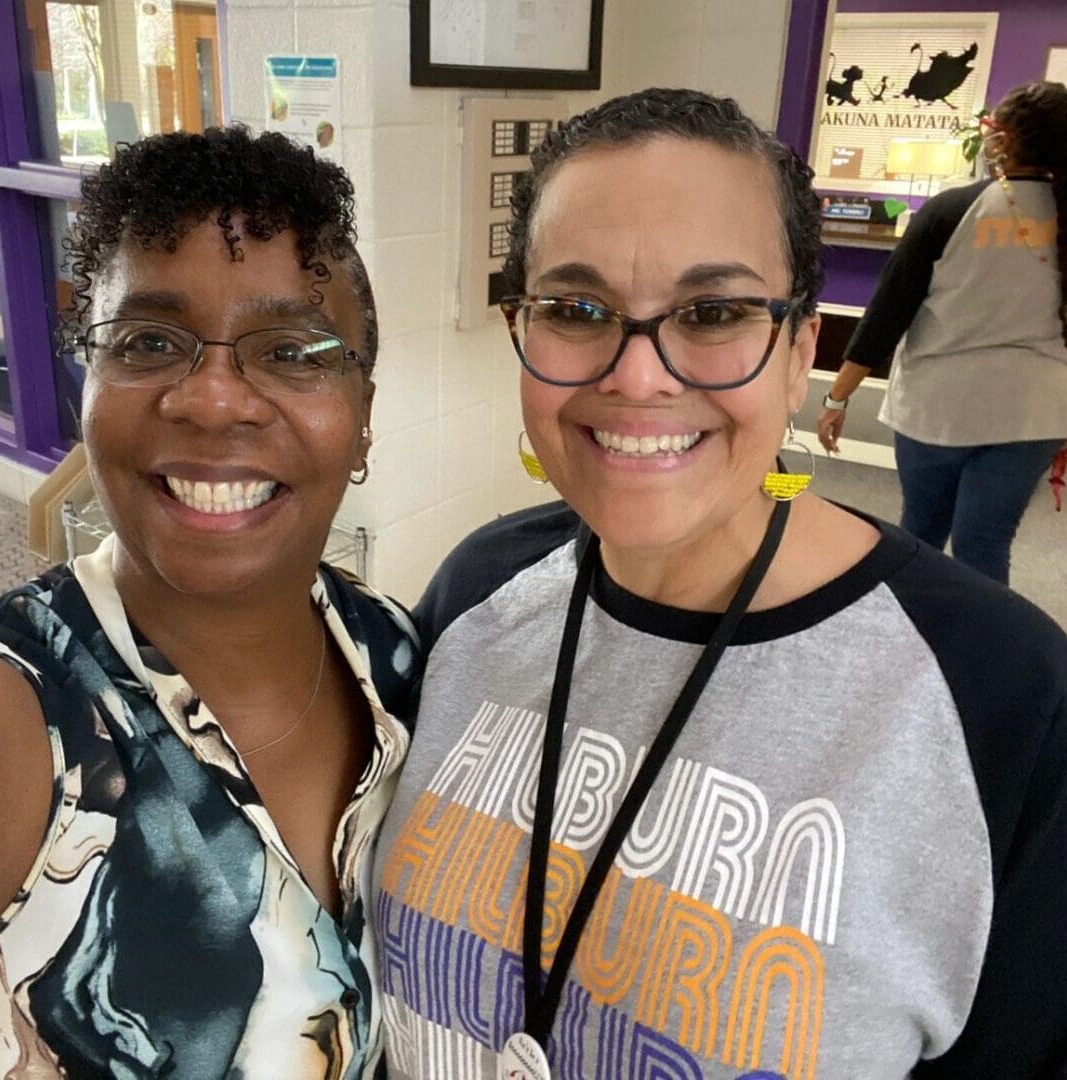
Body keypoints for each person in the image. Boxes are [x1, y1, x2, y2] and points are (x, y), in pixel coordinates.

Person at [373, 88, 1067, 1078]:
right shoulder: (476, 591)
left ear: (797, 354)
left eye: (713, 312)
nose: (639, 376)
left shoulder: (1006, 700)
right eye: (576, 309)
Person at [0, 127, 418, 1078]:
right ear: (87, 382)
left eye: (293, 351)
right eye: (147, 341)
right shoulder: (14, 717)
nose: (215, 400)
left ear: (363, 420)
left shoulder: (402, 662)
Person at [816, 80, 1067, 586]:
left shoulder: (951, 211)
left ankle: (908, 635)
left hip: (940, 407)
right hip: (1036, 413)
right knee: (986, 542)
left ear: (1002, 139)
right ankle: (978, 654)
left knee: (921, 533)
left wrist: (838, 398)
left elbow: (887, 315)